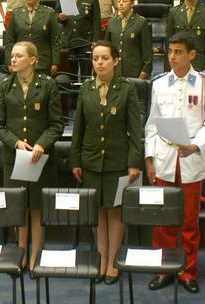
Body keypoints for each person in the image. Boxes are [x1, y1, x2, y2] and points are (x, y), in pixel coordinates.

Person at [144, 32, 205, 295]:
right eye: (170, 52)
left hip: (191, 159)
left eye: (178, 52)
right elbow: (152, 125)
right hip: (164, 159)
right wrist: (149, 159)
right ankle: (164, 269)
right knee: (162, 219)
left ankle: (188, 270)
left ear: (191, 54)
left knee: (189, 222)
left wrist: (195, 145)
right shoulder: (159, 83)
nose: (172, 57)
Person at [71, 41, 142, 284]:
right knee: (97, 211)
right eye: (95, 59)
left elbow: (135, 128)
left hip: (117, 161)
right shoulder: (86, 88)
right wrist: (76, 160)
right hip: (90, 160)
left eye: (104, 58)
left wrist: (134, 162)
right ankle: (101, 259)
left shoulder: (127, 88)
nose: (99, 63)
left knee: (114, 211)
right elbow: (78, 127)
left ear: (116, 60)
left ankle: (113, 262)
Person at [0, 41, 63, 269]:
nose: (13, 59)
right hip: (15, 158)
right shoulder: (5, 86)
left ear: (32, 60)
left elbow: (56, 124)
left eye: (19, 56)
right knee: (19, 207)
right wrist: (15, 143)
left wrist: (42, 144)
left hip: (39, 158)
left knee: (37, 208)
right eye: (12, 55)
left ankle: (36, 255)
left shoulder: (48, 85)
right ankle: (21, 252)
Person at [5, 0, 60, 75]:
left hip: (42, 62)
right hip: (21, 62)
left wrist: (55, 62)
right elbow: (10, 40)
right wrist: (9, 61)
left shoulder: (49, 13)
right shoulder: (16, 13)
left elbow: (55, 39)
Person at [55, 0, 101, 74]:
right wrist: (59, 17)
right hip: (69, 40)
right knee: (71, 73)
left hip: (85, 40)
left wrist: (95, 41)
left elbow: (96, 21)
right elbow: (55, 16)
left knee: (86, 72)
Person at [105, 0, 152, 79]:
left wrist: (146, 70)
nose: (121, 3)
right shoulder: (112, 22)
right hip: (115, 70)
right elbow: (107, 47)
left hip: (134, 70)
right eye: (119, 1)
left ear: (132, 3)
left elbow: (147, 50)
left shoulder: (141, 22)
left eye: (124, 1)